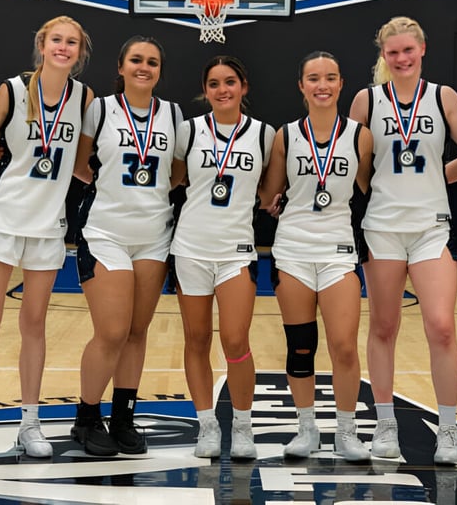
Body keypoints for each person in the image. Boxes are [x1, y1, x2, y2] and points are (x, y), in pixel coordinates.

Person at [0, 16, 93, 458]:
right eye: (57, 40)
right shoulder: (11, 91)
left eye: (72, 42)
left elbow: (80, 164)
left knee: (34, 325)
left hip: (49, 225)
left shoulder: (84, 98)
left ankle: (29, 423)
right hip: (4, 218)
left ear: (80, 52)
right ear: (42, 44)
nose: (63, 47)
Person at [348, 16, 457, 464]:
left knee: (441, 326)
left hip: (430, 227)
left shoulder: (444, 97)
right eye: (393, 52)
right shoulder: (367, 100)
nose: (401, 58)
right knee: (383, 327)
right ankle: (385, 425)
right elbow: (351, 160)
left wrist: (435, 181)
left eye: (408, 50)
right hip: (382, 227)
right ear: (383, 55)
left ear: (422, 49)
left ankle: (448, 430)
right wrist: (379, 188)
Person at [69, 36, 182, 456]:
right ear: (120, 66)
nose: (144, 67)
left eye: (152, 62)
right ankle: (86, 418)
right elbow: (79, 164)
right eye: (136, 59)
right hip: (106, 232)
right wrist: (114, 192)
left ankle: (123, 418)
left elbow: (177, 173)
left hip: (154, 235)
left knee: (137, 331)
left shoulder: (172, 114)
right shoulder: (99, 109)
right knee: (112, 332)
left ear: (159, 71)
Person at [259, 51, 373, 461]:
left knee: (344, 346)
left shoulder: (360, 136)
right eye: (313, 78)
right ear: (301, 86)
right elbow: (270, 192)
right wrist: (269, 200)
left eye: (330, 77)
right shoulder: (286, 136)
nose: (322, 85)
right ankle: (307, 429)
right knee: (301, 346)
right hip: (293, 250)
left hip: (338, 251)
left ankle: (347, 432)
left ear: (341, 84)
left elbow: (368, 188)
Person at [169, 56, 274, 459]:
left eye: (230, 82)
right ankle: (207, 426)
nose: (222, 90)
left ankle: (243, 426)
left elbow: (269, 191)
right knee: (196, 339)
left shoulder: (264, 135)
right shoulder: (189, 131)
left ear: (243, 86)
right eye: (214, 83)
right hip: (190, 248)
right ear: (205, 90)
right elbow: (175, 179)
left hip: (236, 252)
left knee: (235, 339)